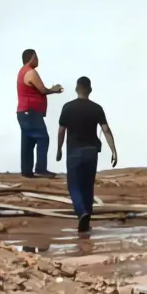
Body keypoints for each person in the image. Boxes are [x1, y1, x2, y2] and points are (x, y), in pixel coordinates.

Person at [55, 77, 117, 233]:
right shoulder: (96, 108)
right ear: (90, 90)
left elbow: (61, 130)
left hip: (74, 152)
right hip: (91, 152)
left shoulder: (67, 108)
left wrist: (59, 148)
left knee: (74, 185)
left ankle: (81, 212)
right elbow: (106, 130)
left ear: (77, 88)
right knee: (88, 186)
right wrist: (114, 151)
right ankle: (86, 220)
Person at [16, 48, 63, 178]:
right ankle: (40, 168)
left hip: (23, 112)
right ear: (31, 58)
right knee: (43, 138)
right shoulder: (31, 72)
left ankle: (26, 170)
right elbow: (42, 90)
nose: (38, 60)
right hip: (31, 112)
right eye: (36, 57)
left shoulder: (22, 72)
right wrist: (55, 90)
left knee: (28, 141)